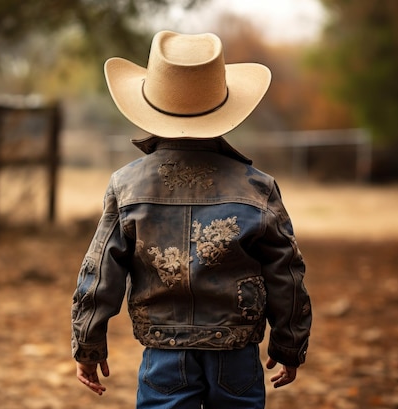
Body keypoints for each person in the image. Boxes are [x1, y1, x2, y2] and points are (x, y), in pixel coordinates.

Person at [71, 30, 312, 409]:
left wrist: (88, 342)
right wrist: (289, 343)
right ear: (224, 109)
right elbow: (286, 272)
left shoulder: (127, 184)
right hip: (236, 353)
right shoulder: (258, 188)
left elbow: (100, 272)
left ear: (150, 107)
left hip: (164, 355)